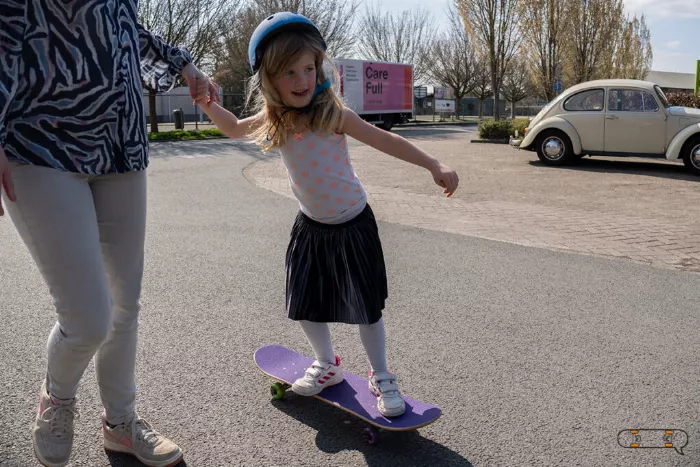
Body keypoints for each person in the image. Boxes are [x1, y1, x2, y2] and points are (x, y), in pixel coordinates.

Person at [196, 12, 458, 418]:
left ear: (320, 69)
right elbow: (232, 128)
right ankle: (327, 363)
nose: (302, 80)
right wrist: (206, 103)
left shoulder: (334, 116)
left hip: (353, 223)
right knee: (305, 302)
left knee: (365, 307)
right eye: (289, 72)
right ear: (268, 78)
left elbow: (386, 140)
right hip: (311, 227)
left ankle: (381, 374)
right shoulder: (274, 120)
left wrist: (433, 164)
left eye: (308, 68)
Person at [0, 1, 218, 466]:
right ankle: (57, 400)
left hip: (121, 145)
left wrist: (186, 66)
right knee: (88, 319)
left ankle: (120, 423)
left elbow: (125, 28)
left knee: (125, 303)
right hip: (40, 146)